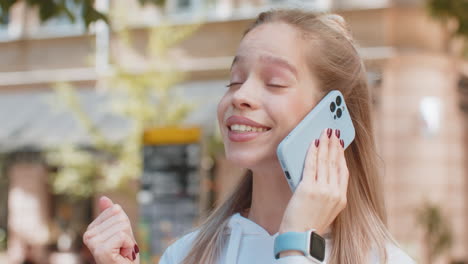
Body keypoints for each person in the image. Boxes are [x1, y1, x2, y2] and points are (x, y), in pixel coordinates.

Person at [83, 9, 416, 264]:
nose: (240, 95)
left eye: (274, 82)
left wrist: (298, 243)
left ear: (329, 114)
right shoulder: (187, 255)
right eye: (235, 79)